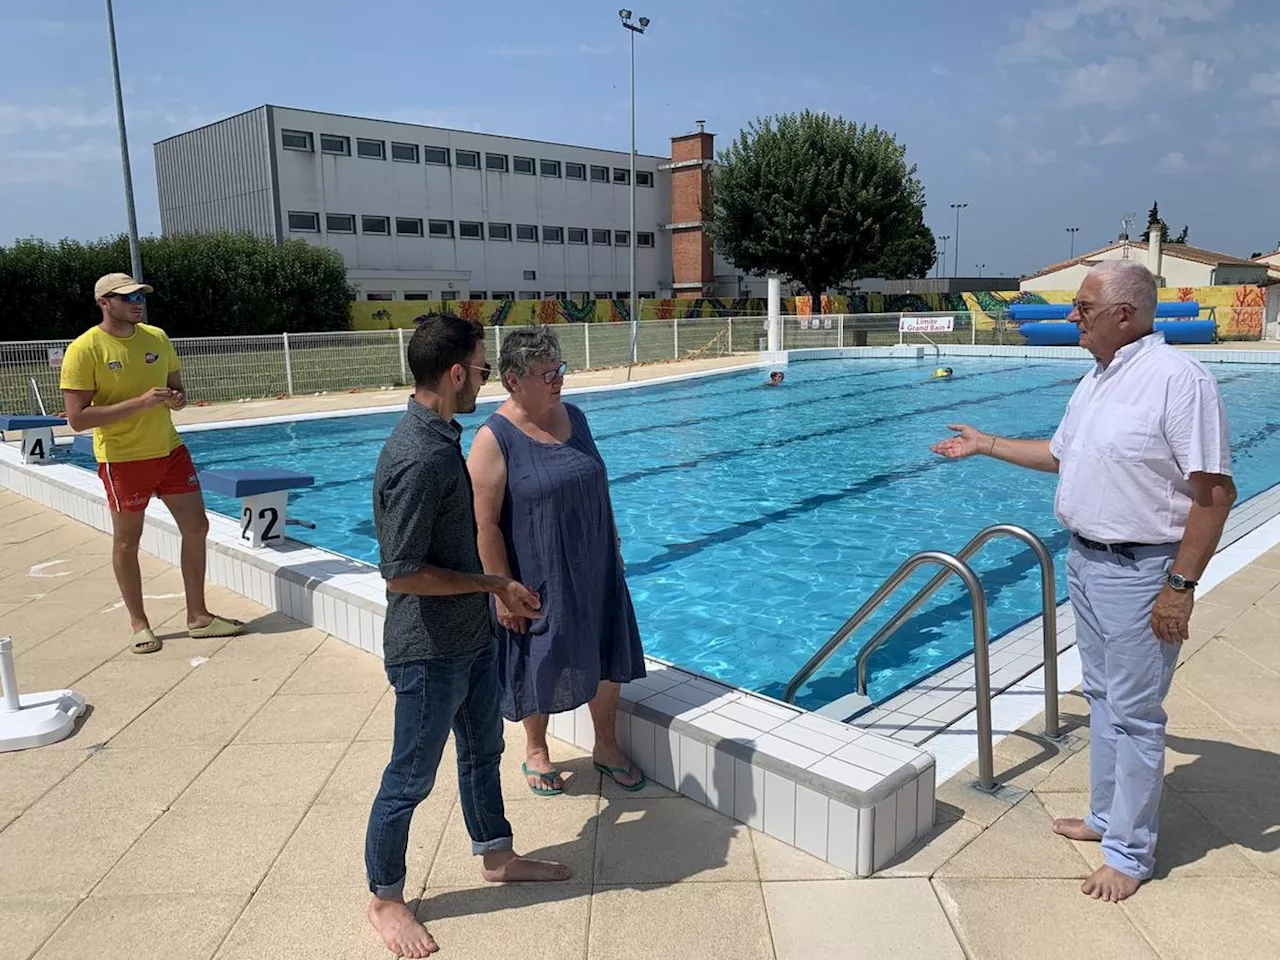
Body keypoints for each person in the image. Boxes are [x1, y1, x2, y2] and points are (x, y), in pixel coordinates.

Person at [931, 259, 1234, 903]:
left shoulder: (1179, 382)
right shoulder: (1097, 381)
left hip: (1142, 568)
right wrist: (986, 443)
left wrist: (1179, 586)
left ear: (1125, 315)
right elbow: (1061, 455)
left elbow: (1214, 492)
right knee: (1102, 698)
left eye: (1084, 308)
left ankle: (1130, 853)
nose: (1073, 316)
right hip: (1087, 561)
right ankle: (1105, 818)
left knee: (1136, 715)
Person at [365, 313, 570, 958]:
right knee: (409, 778)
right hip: (428, 652)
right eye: (481, 369)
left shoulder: (442, 435)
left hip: (469, 640)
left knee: (482, 754)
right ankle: (386, 899)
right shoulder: (419, 456)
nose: (484, 379)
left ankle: (497, 855)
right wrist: (493, 586)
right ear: (456, 373)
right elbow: (401, 573)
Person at [468, 325, 648, 796]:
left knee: (608, 652)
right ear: (512, 380)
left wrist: (614, 541)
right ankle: (535, 750)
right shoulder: (494, 438)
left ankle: (605, 746)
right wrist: (501, 589)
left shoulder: (575, 416)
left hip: (597, 564)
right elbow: (484, 524)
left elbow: (596, 485)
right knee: (537, 657)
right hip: (536, 573)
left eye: (559, 369)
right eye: (546, 373)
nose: (557, 380)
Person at [60, 273, 243, 654]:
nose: (137, 302)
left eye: (139, 295)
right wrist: (140, 403)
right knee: (128, 542)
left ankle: (198, 617)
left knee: (197, 527)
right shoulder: (84, 349)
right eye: (127, 297)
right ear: (104, 302)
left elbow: (178, 392)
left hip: (170, 450)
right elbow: (77, 419)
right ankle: (139, 624)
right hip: (124, 459)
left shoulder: (157, 338)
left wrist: (176, 400)